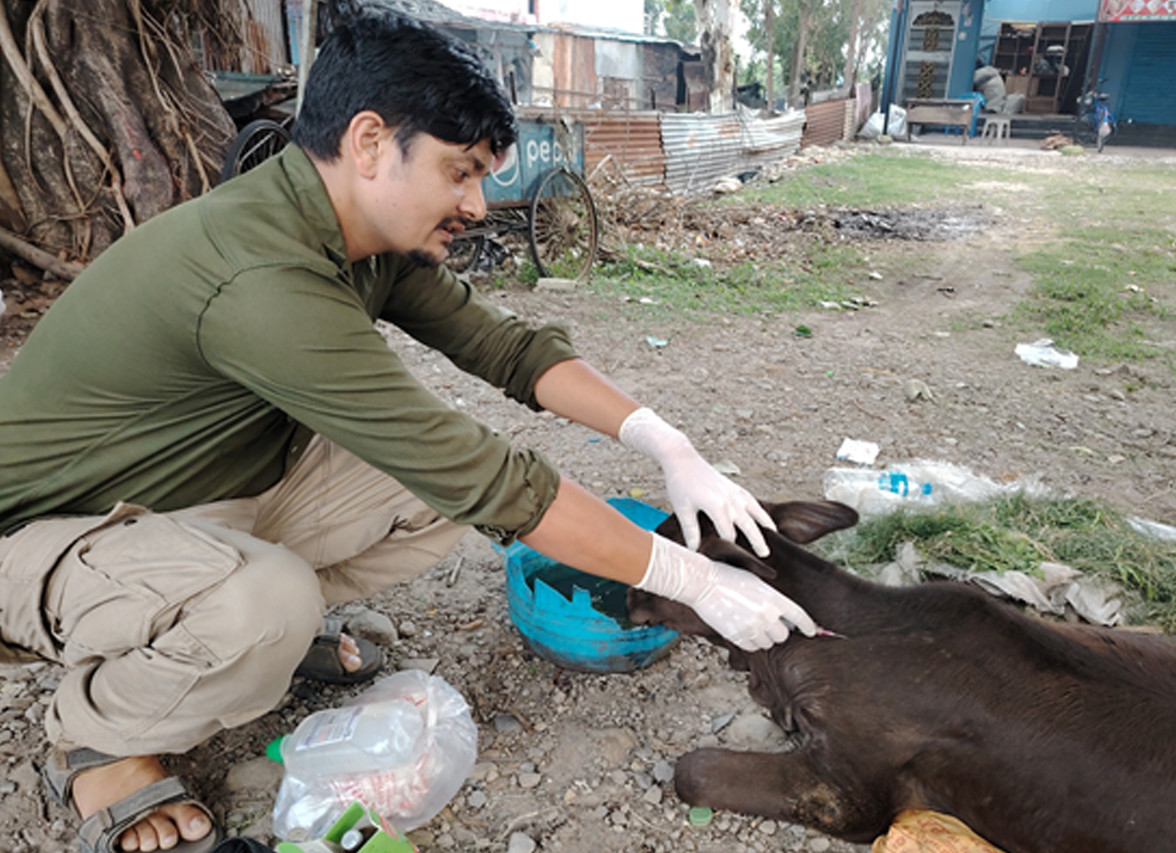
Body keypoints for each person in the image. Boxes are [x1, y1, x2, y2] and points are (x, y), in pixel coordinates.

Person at [0, 14, 815, 853]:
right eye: (459, 171)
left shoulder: (357, 233)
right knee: (271, 599)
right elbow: (485, 478)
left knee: (418, 497)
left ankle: (229, 637)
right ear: (368, 142)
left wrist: (669, 445)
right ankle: (102, 738)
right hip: (43, 541)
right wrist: (693, 580)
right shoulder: (258, 274)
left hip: (185, 499)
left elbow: (505, 348)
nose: (477, 202)